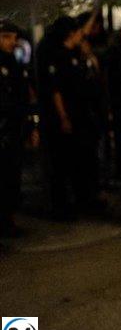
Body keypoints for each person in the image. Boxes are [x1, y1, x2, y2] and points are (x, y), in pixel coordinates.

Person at [40, 16, 103, 218]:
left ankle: (85, 198)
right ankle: (63, 205)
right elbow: (56, 90)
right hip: (69, 116)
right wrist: (64, 116)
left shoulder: (76, 55)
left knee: (83, 159)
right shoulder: (58, 57)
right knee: (64, 161)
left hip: (82, 114)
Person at [0, 20, 36, 236]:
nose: (11, 42)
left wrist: (31, 126)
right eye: (5, 37)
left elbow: (24, 97)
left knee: (12, 177)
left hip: (14, 129)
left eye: (14, 37)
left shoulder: (14, 62)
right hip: (4, 130)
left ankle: (9, 220)